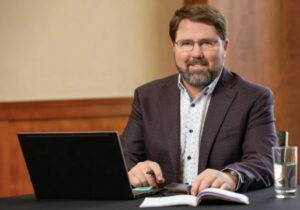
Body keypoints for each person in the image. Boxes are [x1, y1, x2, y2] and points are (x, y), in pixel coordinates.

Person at [121, 4, 276, 195]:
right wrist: (133, 170)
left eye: (206, 43)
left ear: (224, 46)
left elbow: (264, 162)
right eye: (186, 43)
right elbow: (125, 157)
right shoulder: (147, 96)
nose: (196, 54)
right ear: (174, 48)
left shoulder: (254, 97)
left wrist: (231, 176)